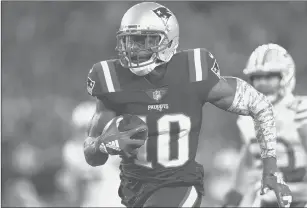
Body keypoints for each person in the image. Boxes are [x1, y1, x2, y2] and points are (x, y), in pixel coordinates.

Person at [83, 2, 291, 207]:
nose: (133, 49)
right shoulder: (111, 81)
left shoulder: (194, 71)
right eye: (128, 41)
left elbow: (260, 106)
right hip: (134, 190)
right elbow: (91, 156)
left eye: (143, 40)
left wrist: (270, 168)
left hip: (179, 185)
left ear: (167, 40)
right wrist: (101, 145)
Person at [224, 43, 307, 207]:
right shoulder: (248, 117)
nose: (262, 83)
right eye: (257, 77)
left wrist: (290, 176)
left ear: (285, 76)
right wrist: (233, 198)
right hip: (267, 202)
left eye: (269, 77)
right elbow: (249, 159)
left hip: (305, 202)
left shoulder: (302, 109)